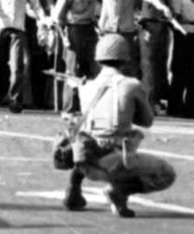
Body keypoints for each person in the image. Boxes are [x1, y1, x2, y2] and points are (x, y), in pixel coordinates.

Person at [61, 34, 176, 218]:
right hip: (116, 162)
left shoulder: (86, 87)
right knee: (167, 174)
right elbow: (147, 121)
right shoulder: (132, 85)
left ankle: (74, 186)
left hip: (85, 161)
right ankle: (120, 191)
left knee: (87, 136)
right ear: (125, 59)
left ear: (98, 58)